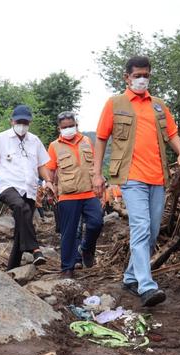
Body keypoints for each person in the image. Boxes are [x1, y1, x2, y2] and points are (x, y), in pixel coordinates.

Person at [92, 56, 180, 307]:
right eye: (137, 75)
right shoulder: (115, 104)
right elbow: (101, 138)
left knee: (153, 231)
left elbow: (171, 133)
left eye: (145, 75)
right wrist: (96, 173)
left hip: (157, 177)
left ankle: (130, 277)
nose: (142, 79)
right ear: (127, 77)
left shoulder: (158, 106)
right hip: (130, 176)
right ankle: (147, 286)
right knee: (141, 227)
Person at [0, 105, 54, 270]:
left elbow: (41, 165)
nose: (22, 125)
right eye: (19, 121)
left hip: (29, 188)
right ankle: (35, 249)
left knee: (21, 229)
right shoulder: (0, 139)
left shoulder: (34, 141)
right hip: (7, 186)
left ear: (29, 123)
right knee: (21, 208)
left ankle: (12, 269)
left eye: (25, 122)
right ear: (12, 121)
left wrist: (48, 180)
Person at [46, 111, 103, 278]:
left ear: (76, 125)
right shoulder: (54, 146)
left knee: (96, 222)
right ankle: (67, 268)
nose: (68, 129)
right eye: (65, 127)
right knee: (68, 233)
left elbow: (95, 165)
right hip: (67, 195)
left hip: (89, 192)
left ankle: (86, 248)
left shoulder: (86, 141)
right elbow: (50, 170)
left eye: (71, 126)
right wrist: (50, 187)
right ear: (59, 128)